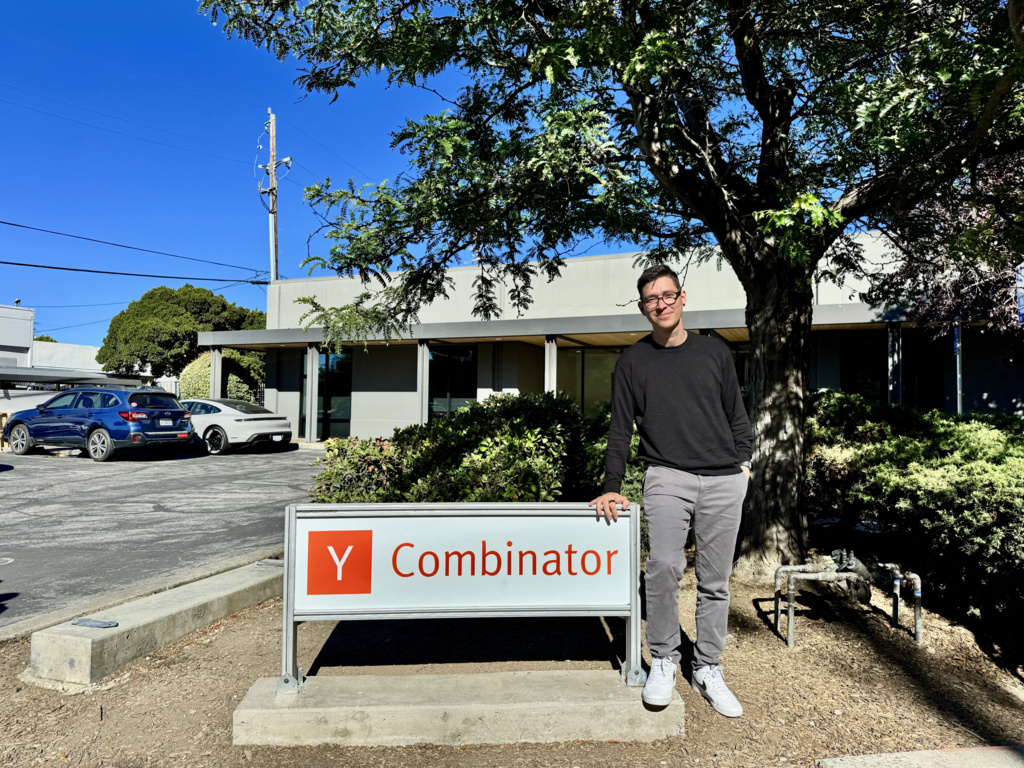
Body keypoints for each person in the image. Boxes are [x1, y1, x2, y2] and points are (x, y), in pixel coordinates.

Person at [589, 264, 753, 718]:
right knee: (662, 568)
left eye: (667, 295)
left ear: (682, 298)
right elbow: (620, 429)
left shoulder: (714, 352)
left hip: (723, 478)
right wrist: (611, 486)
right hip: (666, 476)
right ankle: (664, 658)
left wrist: (744, 465)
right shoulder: (632, 361)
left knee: (715, 581)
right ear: (643, 309)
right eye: (650, 299)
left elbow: (736, 414)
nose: (660, 304)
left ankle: (707, 667)